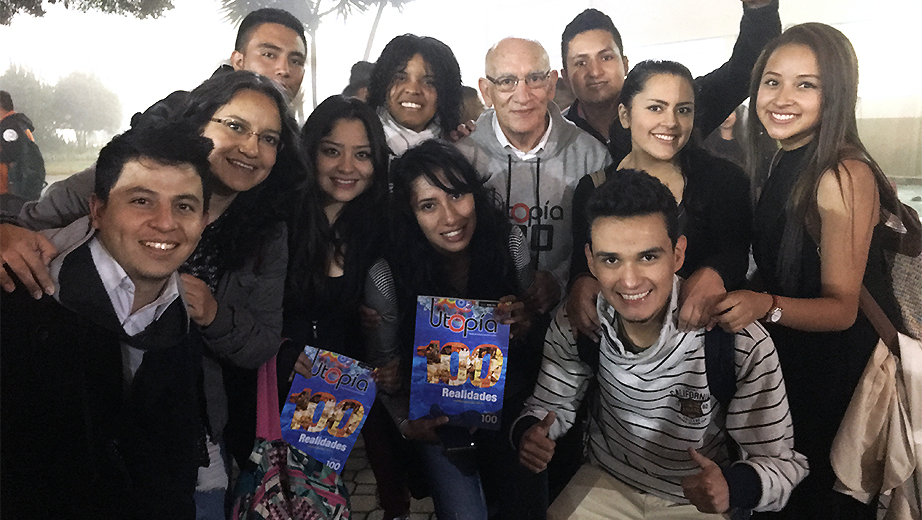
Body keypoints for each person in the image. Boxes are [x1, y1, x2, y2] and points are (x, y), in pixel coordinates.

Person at [0, 71, 304, 517]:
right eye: (235, 126)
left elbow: (259, 341)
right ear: (99, 209)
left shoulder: (263, 233)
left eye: (270, 138)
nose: (250, 147)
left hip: (185, 418)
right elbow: (28, 219)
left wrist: (213, 313)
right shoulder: (123, 177)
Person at [515, 169, 808, 519]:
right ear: (590, 260)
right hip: (605, 481)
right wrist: (529, 433)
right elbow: (550, 403)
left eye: (648, 257)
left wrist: (734, 486)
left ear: (679, 253)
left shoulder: (737, 340)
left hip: (695, 500)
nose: (629, 279)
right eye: (611, 259)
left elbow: (782, 464)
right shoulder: (578, 322)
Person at [713, 23, 907, 520]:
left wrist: (764, 305)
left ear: (836, 93)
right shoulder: (785, 158)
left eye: (807, 84)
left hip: (835, 377)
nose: (782, 97)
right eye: (772, 81)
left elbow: (842, 309)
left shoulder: (842, 172)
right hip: (795, 363)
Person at [1, 121, 212, 518]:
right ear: (97, 209)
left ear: (203, 221)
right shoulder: (19, 297)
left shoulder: (181, 320)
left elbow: (173, 461)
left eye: (184, 205)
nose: (165, 222)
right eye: (141, 201)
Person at [365, 140, 541, 520]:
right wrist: (406, 423)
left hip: (509, 408)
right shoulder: (387, 275)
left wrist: (522, 323)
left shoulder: (509, 243)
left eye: (458, 194)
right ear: (409, 214)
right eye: (428, 205)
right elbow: (385, 374)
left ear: (476, 193)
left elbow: (534, 325)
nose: (450, 217)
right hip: (438, 421)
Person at [281, 95, 410, 519]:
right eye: (332, 151)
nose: (347, 168)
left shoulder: (375, 223)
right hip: (282, 382)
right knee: (295, 500)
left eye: (362, 155)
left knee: (376, 485)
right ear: (310, 150)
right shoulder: (281, 219)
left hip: (344, 381)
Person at [570, 60, 752, 338]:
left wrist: (715, 272)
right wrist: (580, 281)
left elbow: (737, 252)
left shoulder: (725, 180)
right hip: (621, 349)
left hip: (705, 340)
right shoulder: (593, 188)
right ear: (625, 115)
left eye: (683, 110)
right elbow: (584, 262)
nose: (671, 122)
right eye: (656, 107)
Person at [454, 37, 611, 315]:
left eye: (534, 79)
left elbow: (607, 239)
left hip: (569, 318)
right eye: (506, 81)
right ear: (485, 91)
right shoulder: (460, 157)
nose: (522, 95)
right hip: (481, 321)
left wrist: (561, 281)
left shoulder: (591, 156)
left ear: (551, 84)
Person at [559, 1, 779, 153]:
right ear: (566, 76)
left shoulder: (676, 107)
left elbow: (744, 72)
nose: (595, 71)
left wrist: (759, 8)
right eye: (581, 62)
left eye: (606, 57)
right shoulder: (554, 135)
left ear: (625, 63)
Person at [368, 34, 466, 156]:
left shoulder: (460, 148)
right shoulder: (360, 138)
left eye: (429, 82)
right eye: (401, 78)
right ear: (383, 83)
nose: (413, 89)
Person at [0, 90, 44, 202]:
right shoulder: (19, 125)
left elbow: (9, 154)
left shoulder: (9, 127)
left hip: (10, 192)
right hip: (21, 188)